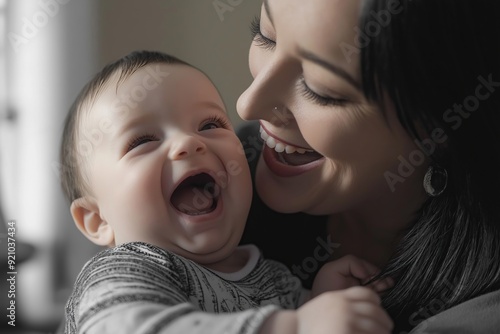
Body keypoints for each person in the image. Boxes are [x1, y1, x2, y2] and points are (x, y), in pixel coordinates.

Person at [59, 50, 394, 334]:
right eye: (143, 141)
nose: (189, 142)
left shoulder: (273, 278)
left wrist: (320, 302)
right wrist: (293, 326)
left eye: (210, 125)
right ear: (96, 219)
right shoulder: (128, 270)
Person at [236, 0, 500, 333]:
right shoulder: (207, 178)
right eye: (266, 37)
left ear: (442, 123)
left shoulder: (479, 311)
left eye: (320, 90)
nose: (247, 103)